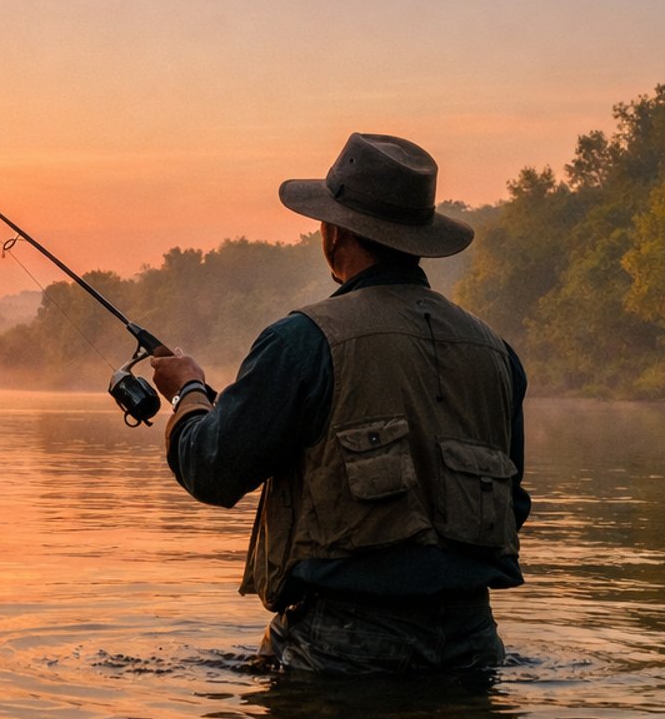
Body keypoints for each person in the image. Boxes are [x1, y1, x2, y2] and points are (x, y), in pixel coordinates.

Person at [149, 132, 529, 674]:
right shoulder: (497, 353)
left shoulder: (302, 340)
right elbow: (511, 505)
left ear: (333, 232)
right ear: (418, 238)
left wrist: (187, 392)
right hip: (474, 647)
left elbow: (212, 470)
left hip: (339, 652)